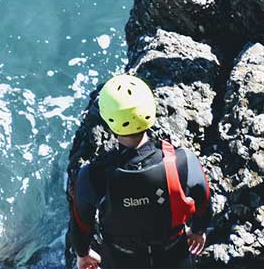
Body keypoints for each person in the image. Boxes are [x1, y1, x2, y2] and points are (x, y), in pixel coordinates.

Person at [70, 74, 211, 269]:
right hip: (174, 255)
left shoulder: (93, 175)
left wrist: (83, 254)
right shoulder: (183, 162)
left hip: (121, 260)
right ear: (150, 110)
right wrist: (198, 230)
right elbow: (203, 203)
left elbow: (80, 224)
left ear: (108, 119)